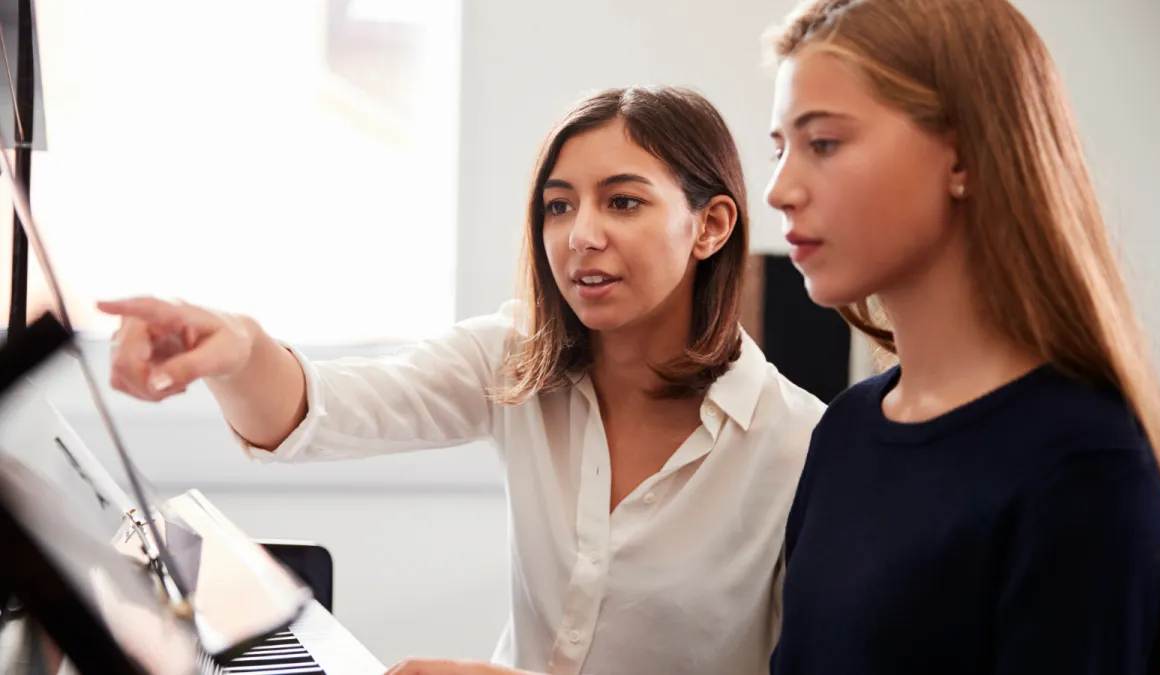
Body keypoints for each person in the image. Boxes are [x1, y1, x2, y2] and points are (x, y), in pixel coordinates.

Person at [101, 86, 827, 675]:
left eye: (623, 201)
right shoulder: (514, 358)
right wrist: (236, 350)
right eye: (558, 204)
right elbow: (316, 410)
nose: (580, 235)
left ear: (711, 226)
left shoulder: (802, 444)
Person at [761, 0, 1160, 673]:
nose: (779, 189)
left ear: (963, 154)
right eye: (780, 147)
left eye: (823, 143)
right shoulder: (845, 429)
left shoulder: (1085, 462)